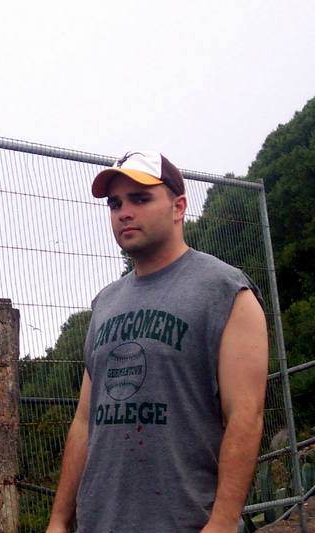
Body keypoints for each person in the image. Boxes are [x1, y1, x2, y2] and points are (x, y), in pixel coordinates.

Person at [45, 151, 268, 532]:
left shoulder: (226, 291)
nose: (123, 212)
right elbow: (85, 421)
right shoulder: (104, 303)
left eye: (140, 198)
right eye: (115, 203)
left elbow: (245, 416)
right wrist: (59, 521)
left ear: (179, 207)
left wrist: (222, 523)